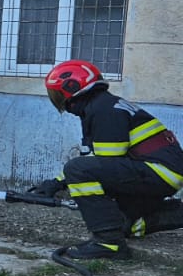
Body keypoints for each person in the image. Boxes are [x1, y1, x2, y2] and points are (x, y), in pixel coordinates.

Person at [28, 60, 183, 259]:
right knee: (121, 223)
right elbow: (101, 160)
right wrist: (55, 182)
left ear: (72, 88)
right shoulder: (103, 104)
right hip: (161, 171)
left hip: (158, 172)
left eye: (58, 94)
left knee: (77, 169)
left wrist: (59, 182)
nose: (58, 100)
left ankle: (109, 244)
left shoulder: (103, 109)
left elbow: (106, 159)